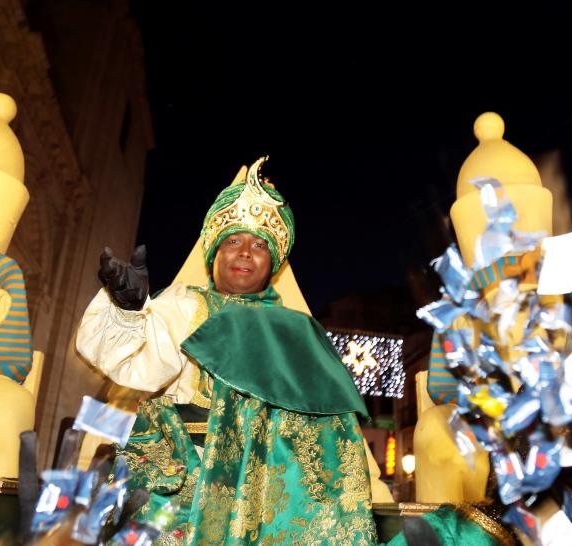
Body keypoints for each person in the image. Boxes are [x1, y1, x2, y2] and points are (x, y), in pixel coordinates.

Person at [76, 157, 381, 545]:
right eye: (233, 241)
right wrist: (129, 309)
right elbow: (139, 366)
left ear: (272, 263)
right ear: (214, 254)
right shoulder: (183, 306)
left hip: (264, 489)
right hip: (178, 474)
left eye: (258, 245)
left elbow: (329, 444)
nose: (244, 252)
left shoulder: (296, 331)